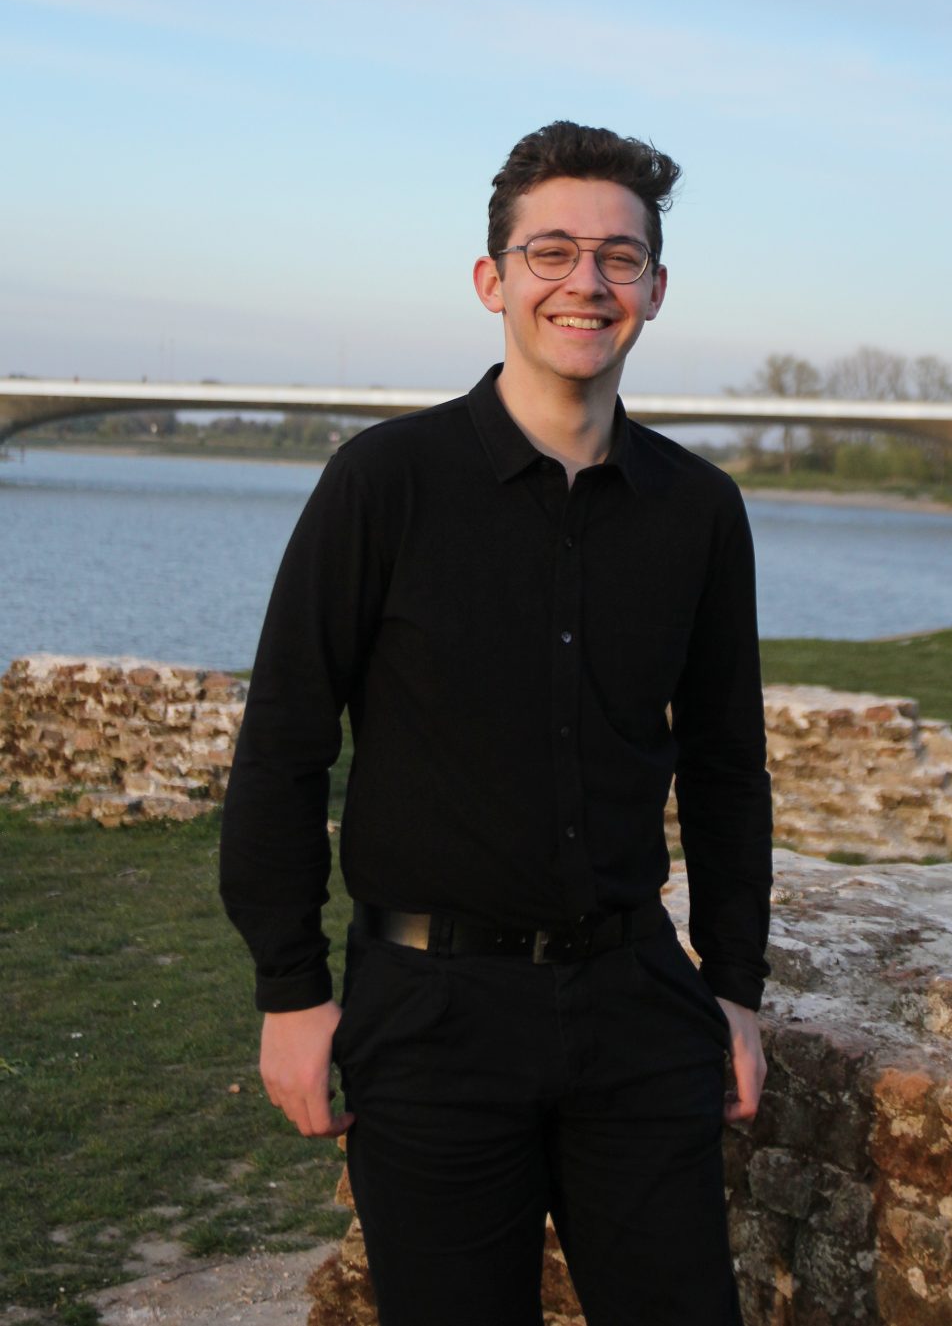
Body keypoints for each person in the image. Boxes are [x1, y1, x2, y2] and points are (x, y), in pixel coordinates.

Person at [219, 119, 772, 1326]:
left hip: (638, 1006)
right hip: (431, 1015)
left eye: (620, 256)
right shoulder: (383, 482)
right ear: (493, 279)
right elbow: (285, 744)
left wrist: (735, 986)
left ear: (656, 288)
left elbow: (730, 764)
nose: (587, 282)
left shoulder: (699, 509)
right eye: (552, 251)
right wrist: (290, 990)